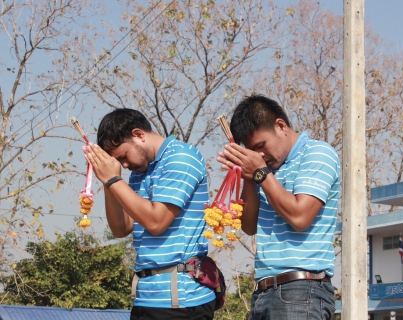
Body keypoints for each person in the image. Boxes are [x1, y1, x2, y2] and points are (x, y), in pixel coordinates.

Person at [83, 109, 215, 320]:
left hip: (181, 300)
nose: (124, 165)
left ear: (139, 134)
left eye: (123, 156)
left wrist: (114, 180)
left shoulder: (181, 157)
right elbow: (121, 228)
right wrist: (107, 181)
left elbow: (156, 221)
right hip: (145, 297)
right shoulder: (139, 172)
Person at [217, 95, 340, 320]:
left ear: (281, 126)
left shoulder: (317, 153)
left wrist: (260, 172)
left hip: (301, 290)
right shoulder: (265, 171)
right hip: (263, 291)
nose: (260, 155)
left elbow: (300, 216)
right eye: (252, 151)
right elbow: (249, 225)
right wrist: (247, 175)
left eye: (261, 146)